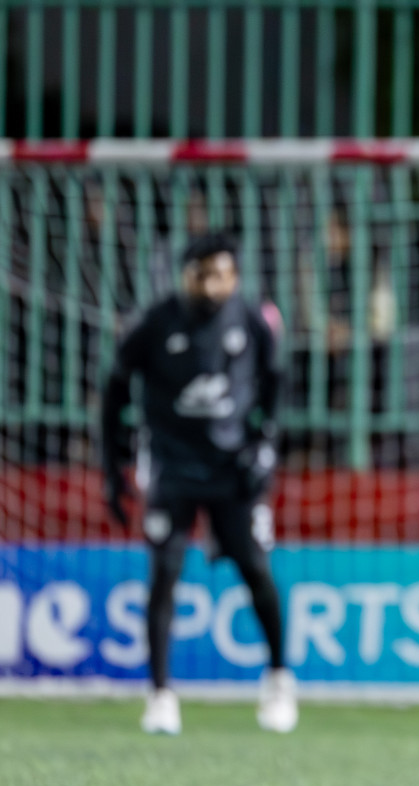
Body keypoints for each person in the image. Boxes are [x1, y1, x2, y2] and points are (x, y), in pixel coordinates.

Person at [100, 232, 297, 736]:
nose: (214, 285)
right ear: (185, 275)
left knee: (255, 569)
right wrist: (112, 467)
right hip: (172, 468)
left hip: (233, 472)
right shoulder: (152, 324)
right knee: (164, 576)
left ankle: (278, 679)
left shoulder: (253, 320)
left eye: (224, 275)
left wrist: (266, 445)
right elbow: (113, 392)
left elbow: (275, 383)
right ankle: (161, 695)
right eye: (204, 274)